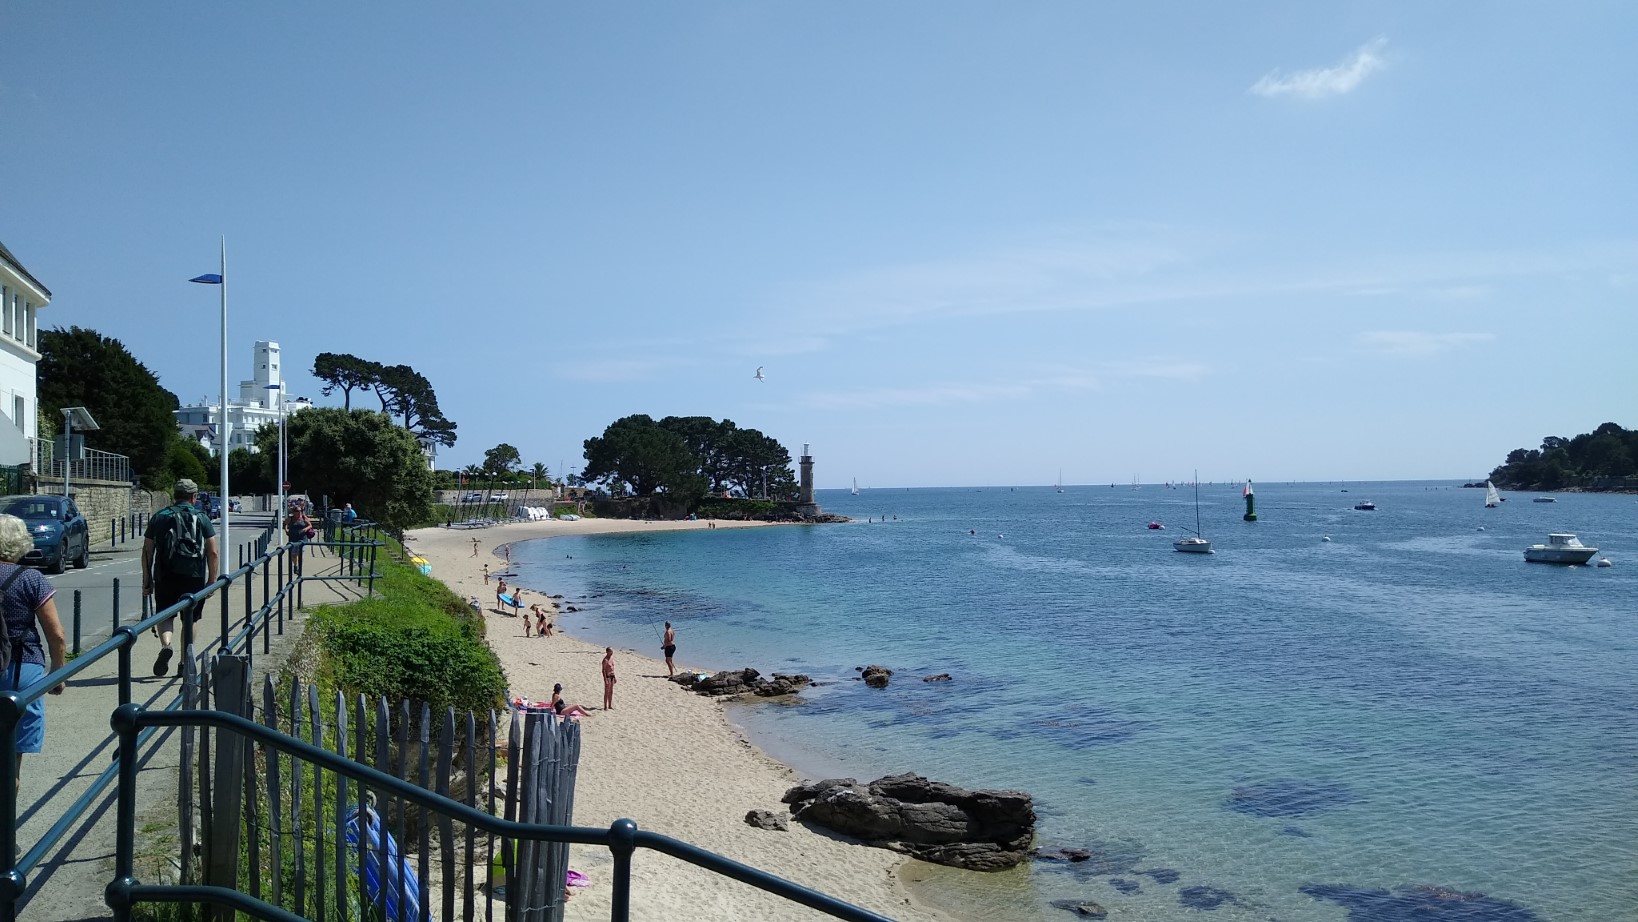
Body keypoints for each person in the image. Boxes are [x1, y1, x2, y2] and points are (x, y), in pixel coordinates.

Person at [0, 514, 67, 788]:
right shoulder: (31, 579)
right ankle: (7, 812)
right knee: (10, 761)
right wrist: (58, 674)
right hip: (21, 669)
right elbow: (57, 635)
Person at [142, 479, 220, 677]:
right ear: (194, 497)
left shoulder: (160, 517)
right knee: (191, 619)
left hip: (165, 575)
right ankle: (185, 662)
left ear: (175, 495)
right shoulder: (201, 518)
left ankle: (166, 645)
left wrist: (147, 579)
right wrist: (212, 581)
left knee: (165, 615)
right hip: (194, 576)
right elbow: (212, 552)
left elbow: (148, 551)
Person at [284, 504, 315, 576]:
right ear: (294, 512)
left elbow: (310, 525)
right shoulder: (290, 519)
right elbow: (285, 523)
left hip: (302, 539)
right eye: (297, 511)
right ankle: (295, 566)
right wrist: (286, 530)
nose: (298, 512)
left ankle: (299, 568)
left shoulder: (304, 518)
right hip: (293, 538)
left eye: (300, 511)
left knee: (300, 553)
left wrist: (305, 529)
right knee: (294, 555)